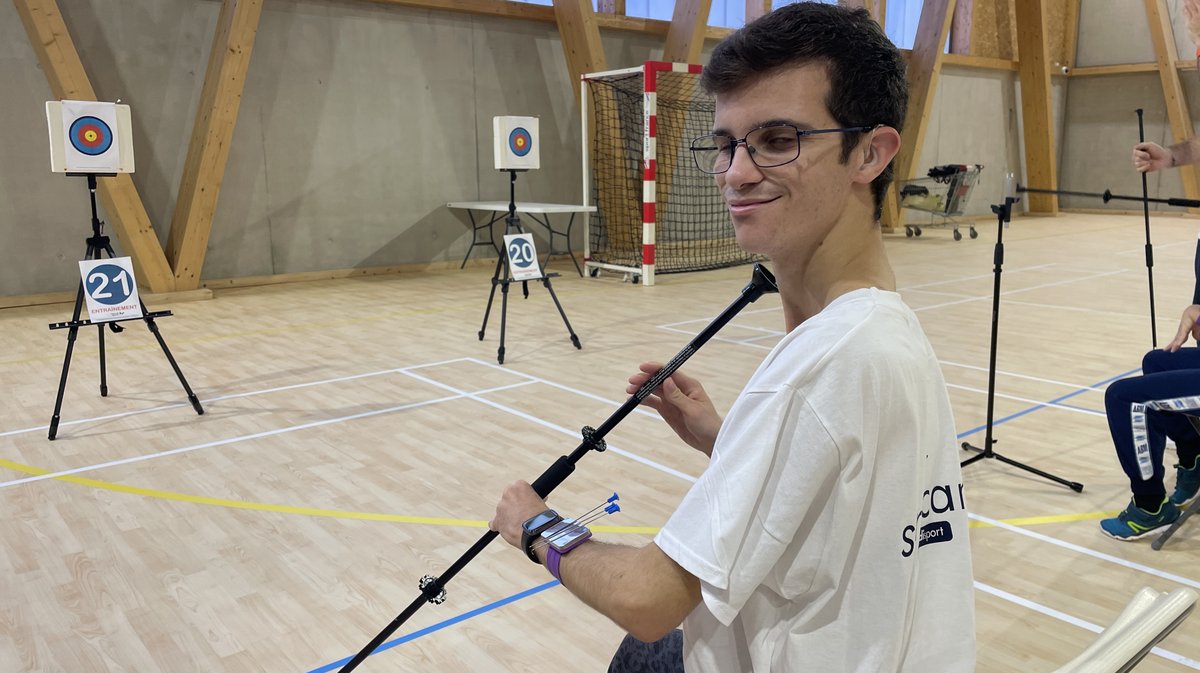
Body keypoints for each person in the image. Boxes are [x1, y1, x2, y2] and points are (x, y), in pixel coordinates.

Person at [489, 3, 976, 671]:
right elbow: (842, 492)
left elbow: (648, 597)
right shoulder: (885, 328)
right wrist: (725, 436)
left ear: (870, 151)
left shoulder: (823, 362)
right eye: (726, 144)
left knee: (646, 642)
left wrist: (534, 525)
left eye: (779, 140)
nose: (737, 173)